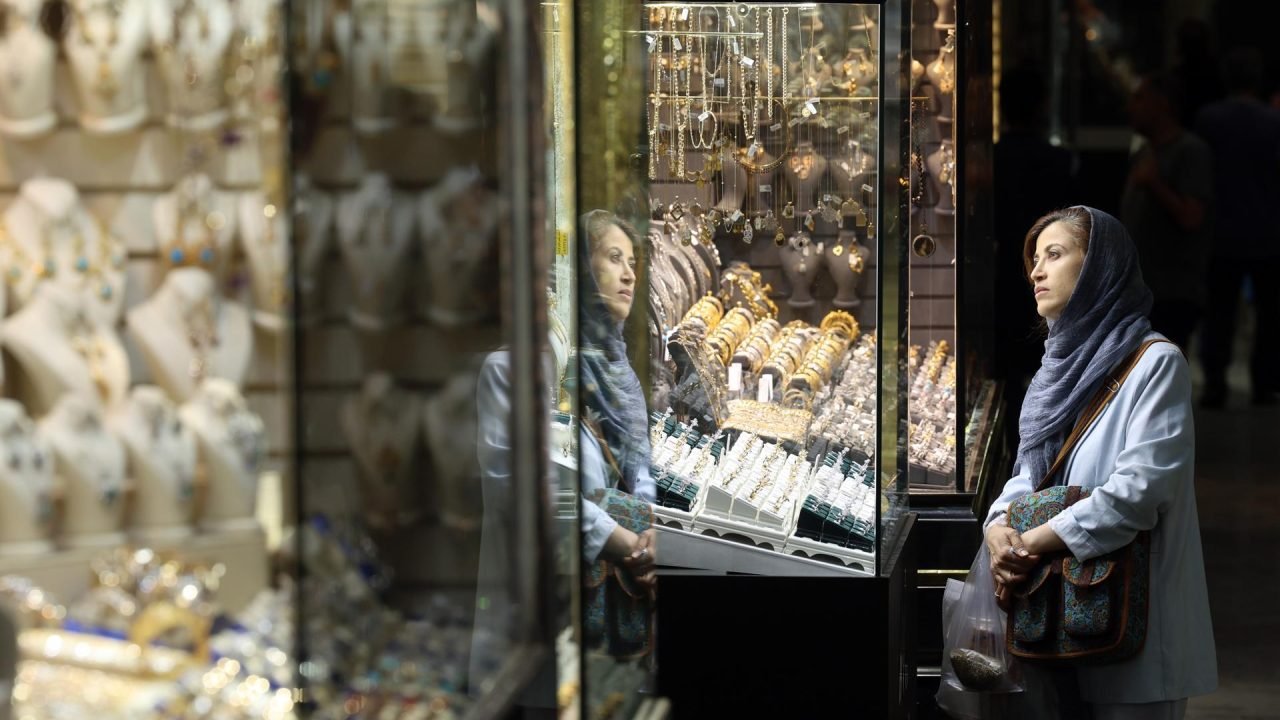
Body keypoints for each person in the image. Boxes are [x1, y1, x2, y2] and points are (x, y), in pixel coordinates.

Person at [983, 207, 1217, 718]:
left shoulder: (1154, 363)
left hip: (1133, 623)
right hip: (1051, 619)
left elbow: (1140, 492)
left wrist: (1032, 543)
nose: (1036, 272)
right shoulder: (1053, 371)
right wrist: (998, 528)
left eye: (1055, 254)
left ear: (1097, 268)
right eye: (1034, 260)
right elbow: (1027, 475)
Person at [1193, 46, 1280, 407]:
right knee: (1270, 313)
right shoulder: (1273, 121)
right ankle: (1265, 383)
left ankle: (1215, 382)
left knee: (1219, 312)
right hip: (1268, 229)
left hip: (1221, 230)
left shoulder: (1209, 119)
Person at [1120, 72, 1213, 352]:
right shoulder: (1145, 152)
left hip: (1171, 292)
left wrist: (1155, 184)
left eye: (1139, 99)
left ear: (1162, 104)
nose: (1130, 107)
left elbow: (1191, 217)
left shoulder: (1190, 151)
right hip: (1141, 288)